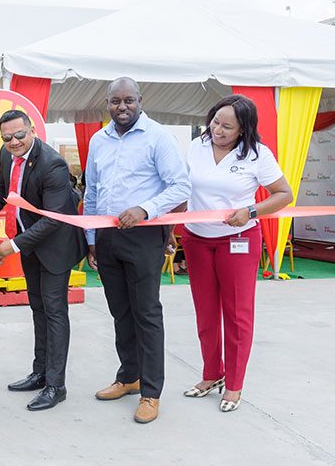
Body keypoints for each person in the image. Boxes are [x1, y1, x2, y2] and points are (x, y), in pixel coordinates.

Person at [85, 77, 191, 424]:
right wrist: (91, 239)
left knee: (146, 313)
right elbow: (91, 193)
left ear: (140, 100)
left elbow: (180, 186)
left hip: (144, 235)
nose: (122, 107)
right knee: (121, 312)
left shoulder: (158, 137)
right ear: (107, 103)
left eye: (129, 100)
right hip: (107, 237)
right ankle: (128, 377)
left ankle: (150, 392)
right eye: (116, 101)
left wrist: (145, 209)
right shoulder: (99, 140)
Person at [181, 94, 292, 412]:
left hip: (238, 241)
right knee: (205, 313)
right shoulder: (196, 147)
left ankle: (234, 385)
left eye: (227, 127)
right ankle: (212, 374)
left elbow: (284, 194)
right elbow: (182, 188)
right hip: (197, 240)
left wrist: (251, 210)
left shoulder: (257, 154)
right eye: (216, 121)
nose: (218, 130)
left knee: (237, 315)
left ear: (243, 130)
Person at [0, 109, 87, 412]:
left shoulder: (52, 164)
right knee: (38, 308)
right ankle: (40, 371)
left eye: (19, 135)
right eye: (7, 138)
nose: (14, 142)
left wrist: (12, 246)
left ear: (32, 131)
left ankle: (56, 385)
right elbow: (2, 187)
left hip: (54, 247)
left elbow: (54, 220)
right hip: (30, 245)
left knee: (54, 313)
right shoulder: (7, 155)